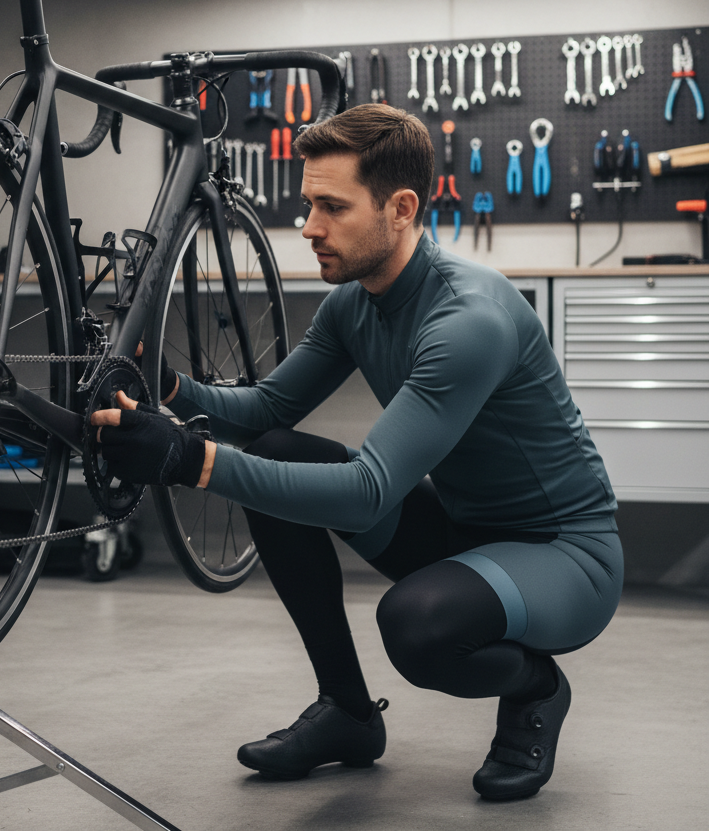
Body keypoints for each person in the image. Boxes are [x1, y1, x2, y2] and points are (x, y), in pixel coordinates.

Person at [92, 103, 622, 801]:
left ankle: (536, 685)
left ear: (400, 208)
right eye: (309, 204)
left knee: (415, 624)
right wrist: (167, 384)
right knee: (283, 450)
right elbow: (269, 409)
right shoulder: (355, 302)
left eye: (331, 207)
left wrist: (192, 460)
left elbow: (370, 489)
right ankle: (346, 711)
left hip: (564, 556)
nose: (308, 227)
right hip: (467, 534)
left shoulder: (469, 320)